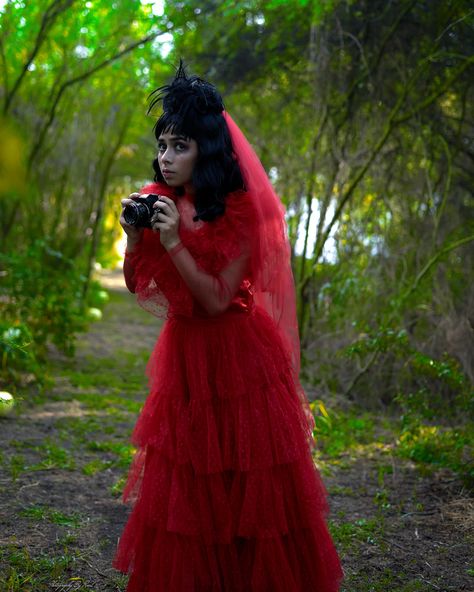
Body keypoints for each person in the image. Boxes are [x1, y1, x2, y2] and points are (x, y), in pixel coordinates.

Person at [112, 62, 343, 591]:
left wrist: (174, 243)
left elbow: (217, 299)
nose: (167, 158)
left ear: (207, 150)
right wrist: (134, 237)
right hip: (187, 356)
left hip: (239, 354)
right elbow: (136, 283)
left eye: (181, 146)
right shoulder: (161, 200)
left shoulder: (239, 211)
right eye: (164, 145)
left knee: (249, 475)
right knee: (189, 476)